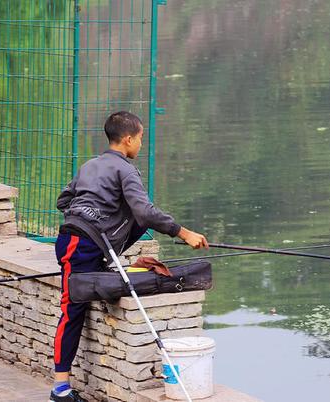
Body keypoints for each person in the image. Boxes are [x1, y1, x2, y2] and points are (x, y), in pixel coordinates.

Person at [49, 111, 208, 402]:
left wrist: (94, 217)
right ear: (128, 138)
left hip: (79, 242)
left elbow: (64, 201)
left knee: (79, 301)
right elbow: (145, 212)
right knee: (71, 309)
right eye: (141, 139)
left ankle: (62, 386)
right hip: (79, 245)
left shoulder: (90, 165)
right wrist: (184, 233)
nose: (141, 145)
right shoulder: (126, 171)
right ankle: (60, 389)